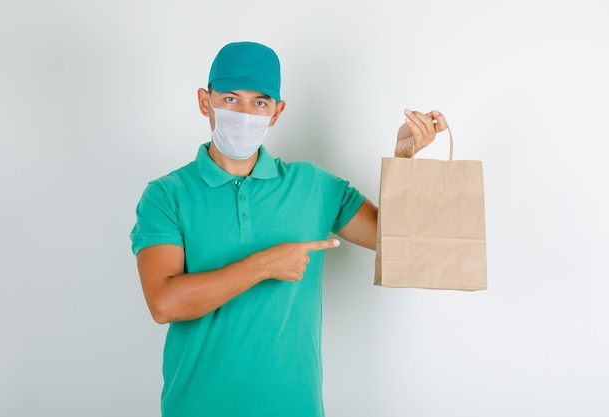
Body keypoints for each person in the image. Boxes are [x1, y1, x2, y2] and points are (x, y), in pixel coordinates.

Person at [130, 41, 448, 417]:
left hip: (294, 407)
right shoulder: (168, 194)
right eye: (231, 99)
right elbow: (164, 303)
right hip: (199, 405)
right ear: (205, 101)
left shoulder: (313, 186)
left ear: (277, 112)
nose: (245, 113)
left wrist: (405, 160)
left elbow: (398, 241)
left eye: (260, 102)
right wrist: (264, 266)